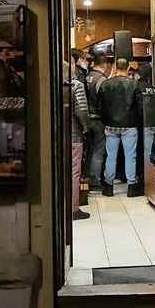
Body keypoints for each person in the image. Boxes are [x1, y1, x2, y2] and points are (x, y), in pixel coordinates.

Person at [97, 57, 142, 197]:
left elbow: (100, 106)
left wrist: (106, 120)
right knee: (130, 156)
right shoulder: (134, 85)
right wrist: (137, 121)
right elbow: (140, 106)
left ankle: (109, 186)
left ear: (115, 68)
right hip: (129, 125)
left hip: (110, 125)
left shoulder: (105, 84)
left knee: (111, 156)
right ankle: (131, 186)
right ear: (128, 69)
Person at [68, 62, 92, 220]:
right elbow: (81, 110)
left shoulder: (49, 83)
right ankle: (73, 208)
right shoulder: (76, 85)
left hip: (53, 135)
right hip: (74, 134)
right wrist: (86, 128)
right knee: (74, 171)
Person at [83, 54, 110, 191]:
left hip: (87, 118)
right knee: (99, 151)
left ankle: (87, 177)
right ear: (105, 65)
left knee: (90, 149)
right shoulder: (101, 79)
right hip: (98, 119)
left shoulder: (87, 76)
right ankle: (95, 180)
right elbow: (103, 100)